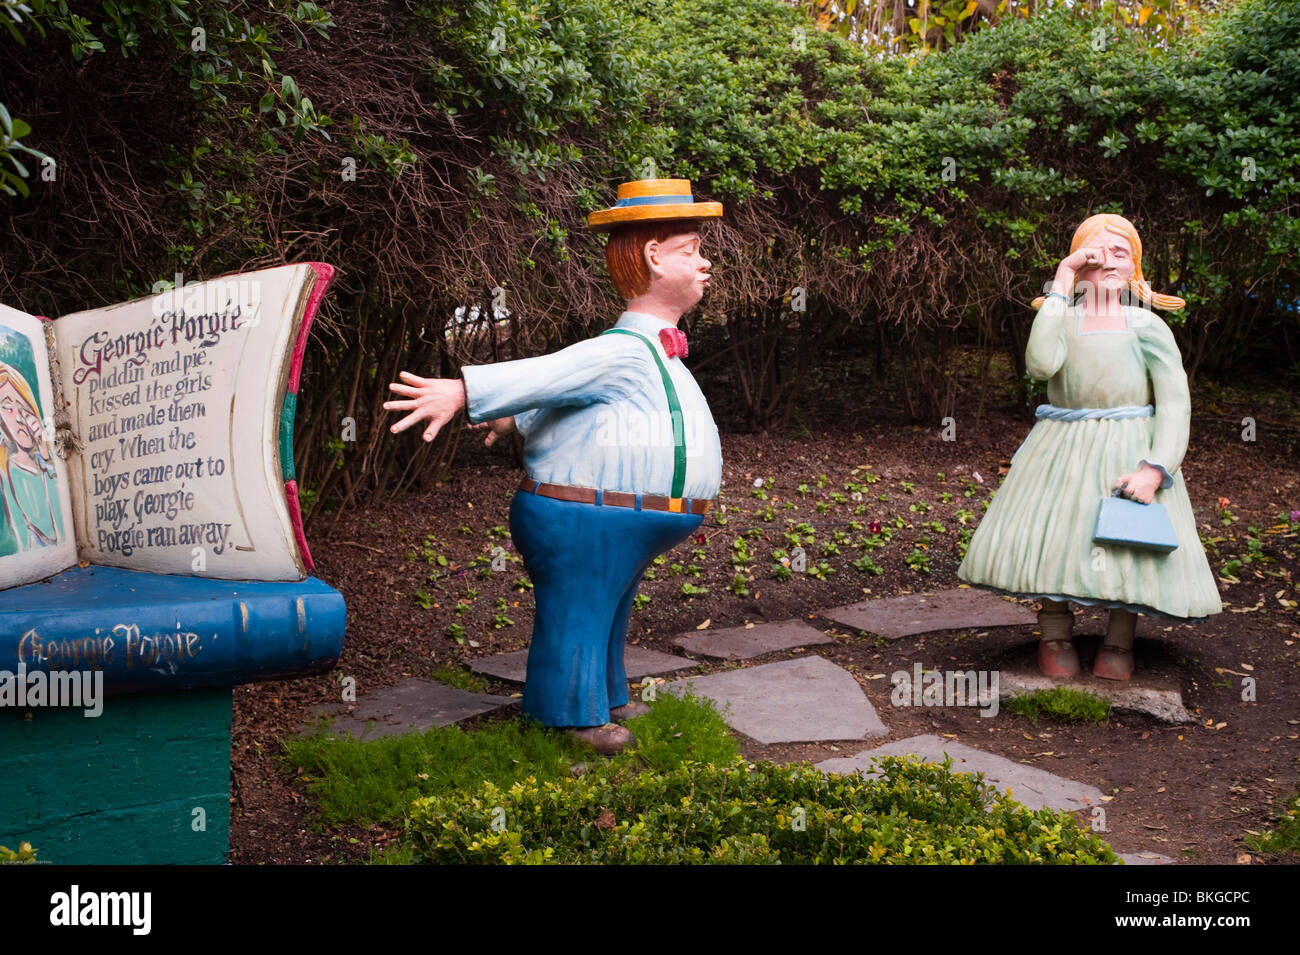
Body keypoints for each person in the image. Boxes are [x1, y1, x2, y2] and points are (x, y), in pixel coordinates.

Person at [385, 178, 723, 753]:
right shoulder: (619, 350)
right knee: (581, 608)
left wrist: (514, 419)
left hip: (619, 517)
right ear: (652, 256)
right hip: (587, 516)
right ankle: (566, 716)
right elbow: (545, 374)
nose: (704, 262)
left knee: (607, 608)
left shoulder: (648, 350)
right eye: (690, 251)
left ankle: (606, 695)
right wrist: (464, 393)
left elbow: (566, 399)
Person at [958, 213, 1222, 681]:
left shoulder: (1146, 327)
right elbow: (1040, 365)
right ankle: (1054, 632)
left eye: (1121, 253)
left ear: (1136, 267)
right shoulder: (1063, 319)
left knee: (1127, 541)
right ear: (1080, 266)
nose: (1109, 263)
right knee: (1057, 535)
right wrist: (1062, 278)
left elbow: (1175, 403)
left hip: (1128, 445)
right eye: (1095, 254)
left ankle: (1119, 641)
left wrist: (1156, 468)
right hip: (1061, 444)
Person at [0, 361, 61, 556]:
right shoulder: (9, 467)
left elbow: (57, 519)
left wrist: (45, 453)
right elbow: (22, 534)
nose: (18, 417)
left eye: (21, 405)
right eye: (7, 407)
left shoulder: (44, 461)